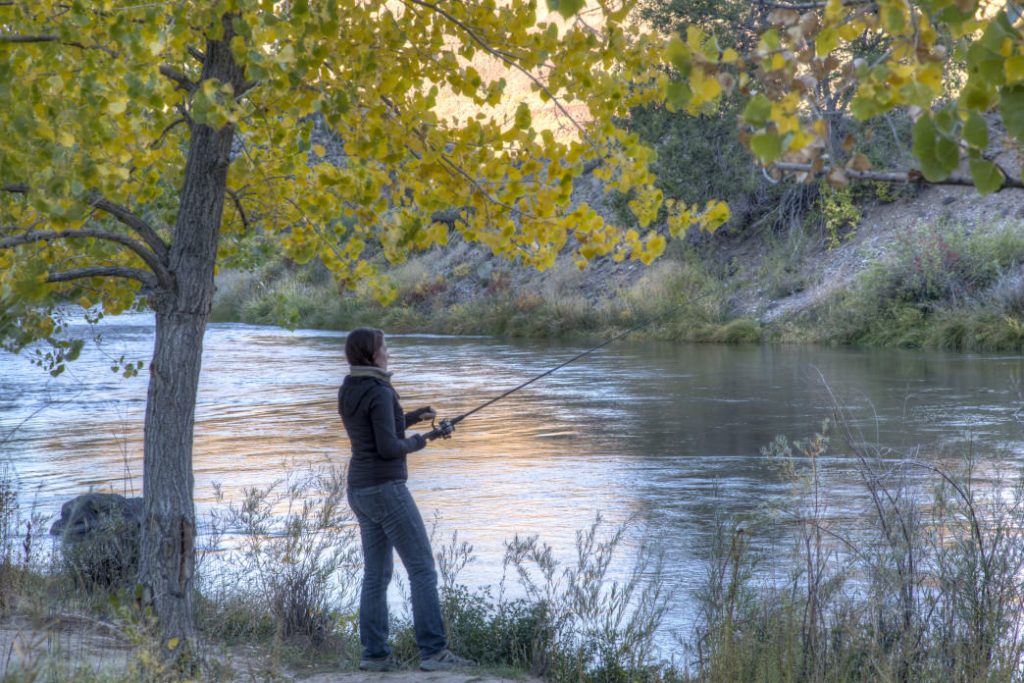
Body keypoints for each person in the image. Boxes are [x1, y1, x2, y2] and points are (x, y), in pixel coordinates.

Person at [338, 327, 473, 672]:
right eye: (384, 345)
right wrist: (424, 438)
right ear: (372, 354)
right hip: (385, 489)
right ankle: (434, 652)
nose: (388, 350)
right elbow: (388, 447)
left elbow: (375, 428)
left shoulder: (350, 387)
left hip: (359, 490)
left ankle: (375, 655)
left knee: (376, 575)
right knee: (422, 569)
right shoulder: (380, 391)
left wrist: (412, 416)